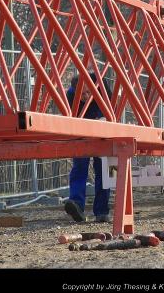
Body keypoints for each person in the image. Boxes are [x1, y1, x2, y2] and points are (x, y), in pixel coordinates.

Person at [63, 72, 113, 223]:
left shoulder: (103, 87)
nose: (84, 96)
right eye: (81, 93)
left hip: (102, 128)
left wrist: (103, 121)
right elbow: (70, 117)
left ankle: (102, 211)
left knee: (103, 169)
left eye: (87, 92)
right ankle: (76, 205)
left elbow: (111, 109)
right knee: (79, 166)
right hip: (82, 130)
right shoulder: (71, 95)